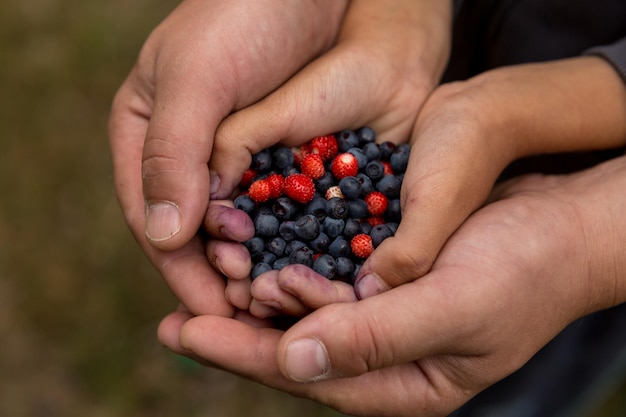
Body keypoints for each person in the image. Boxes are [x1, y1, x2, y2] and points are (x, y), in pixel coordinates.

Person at [109, 0, 626, 416]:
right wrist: (394, 18)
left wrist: (590, 238)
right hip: (440, 70)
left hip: (588, 204)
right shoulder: (342, 187)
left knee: (525, 371)